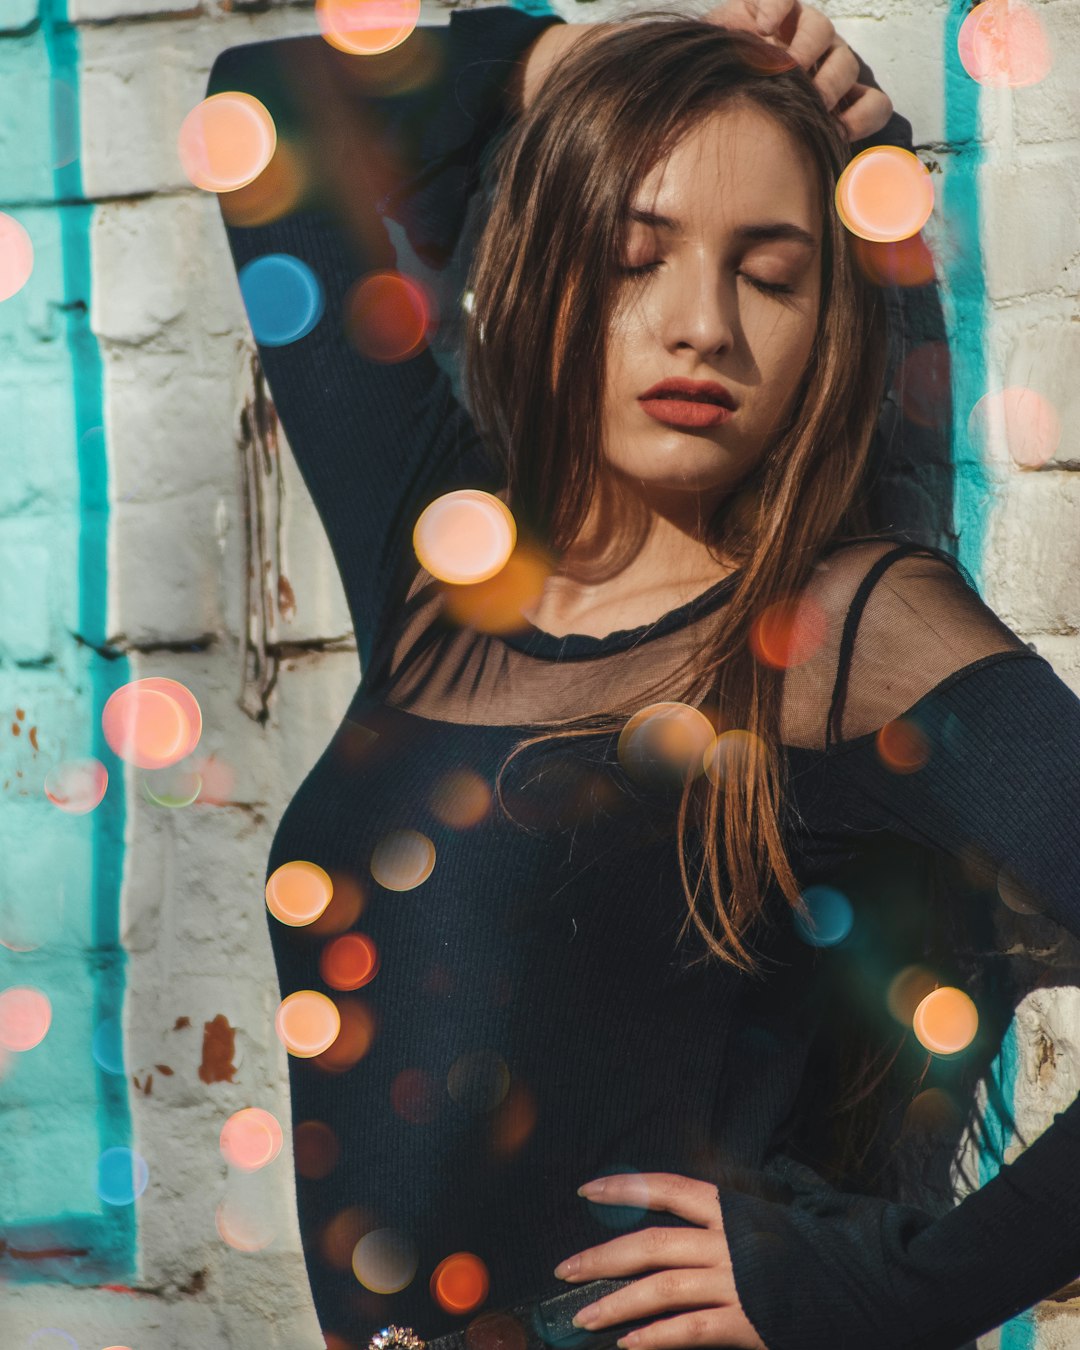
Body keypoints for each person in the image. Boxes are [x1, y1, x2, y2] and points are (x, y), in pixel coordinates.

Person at [208, 6, 1080, 1349]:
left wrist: (883, 1290)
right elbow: (262, 112)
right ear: (550, 269)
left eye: (770, 274)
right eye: (632, 256)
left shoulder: (845, 629)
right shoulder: (446, 554)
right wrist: (571, 62)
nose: (700, 328)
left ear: (829, 322)